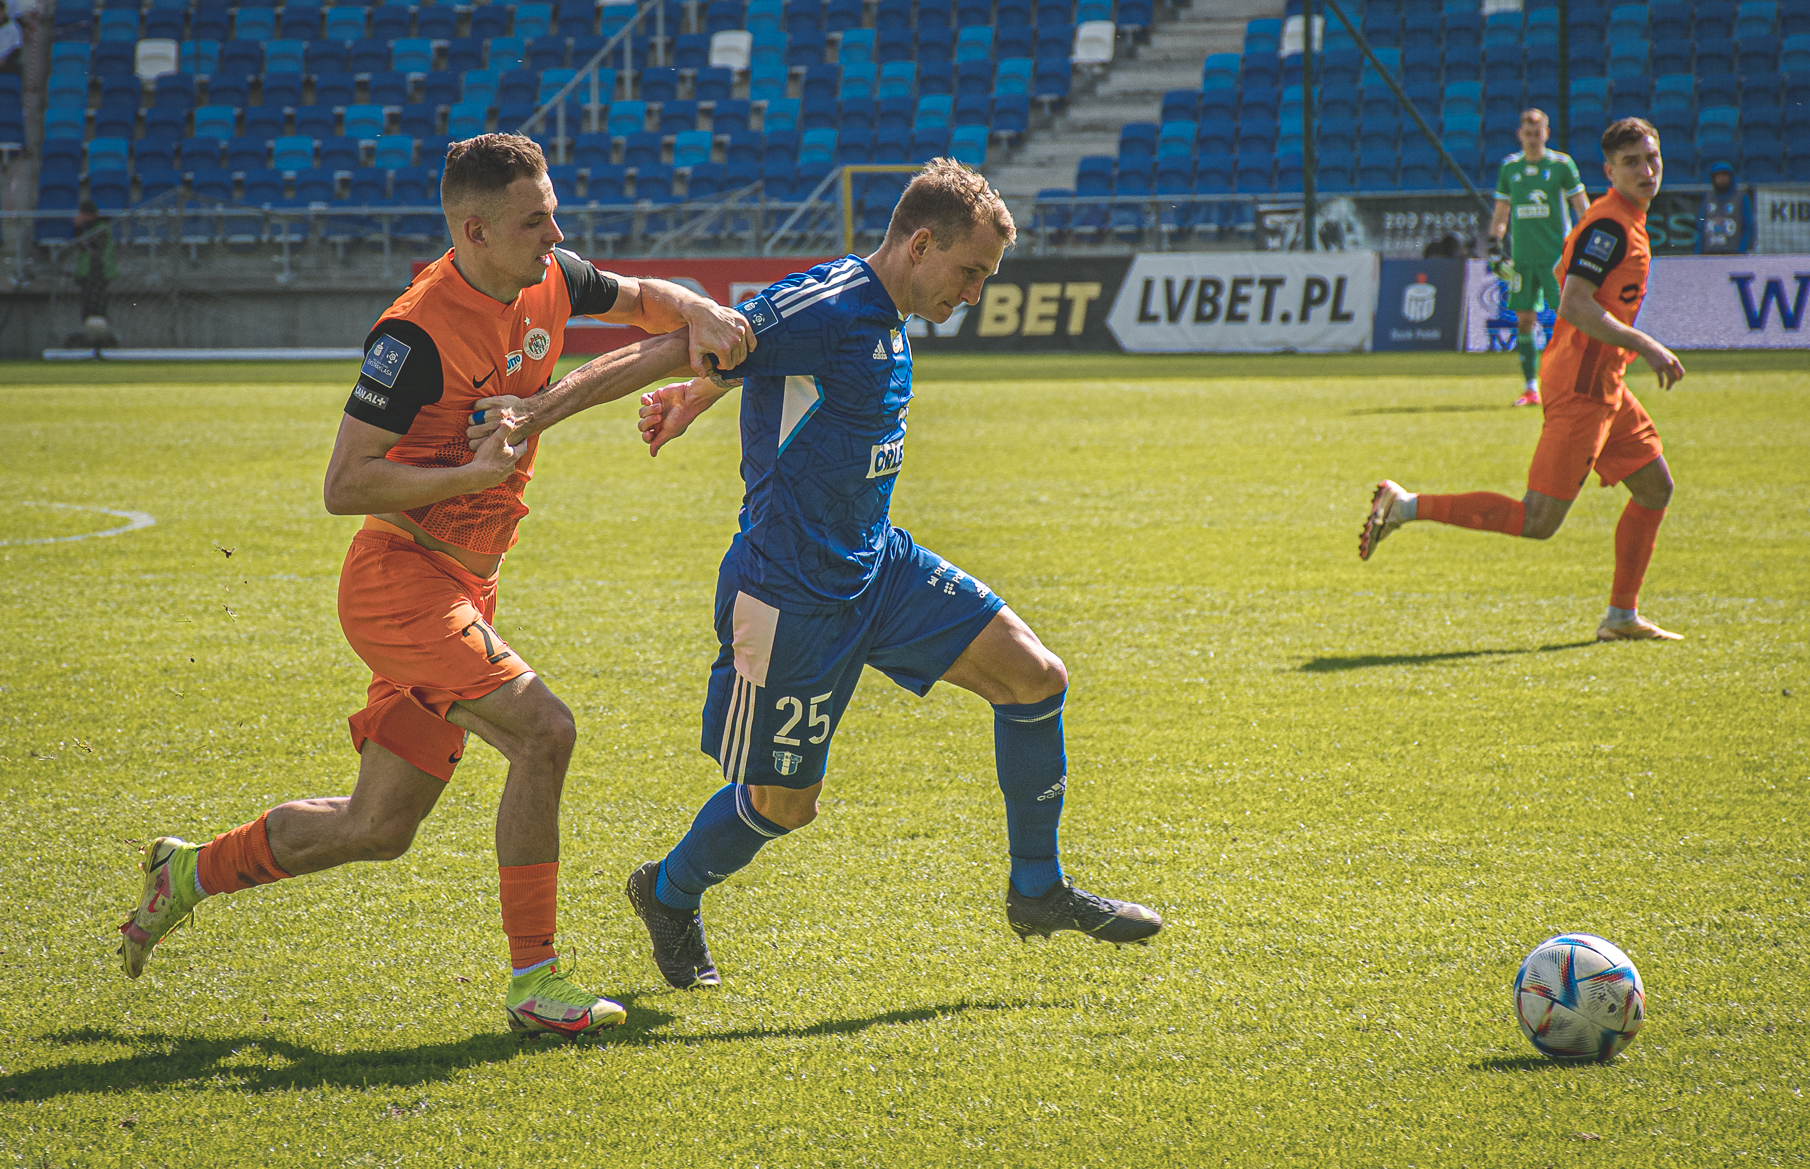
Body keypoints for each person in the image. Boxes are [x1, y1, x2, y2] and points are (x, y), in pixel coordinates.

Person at [115, 133, 756, 1038]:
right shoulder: (414, 333)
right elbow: (344, 485)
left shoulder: (550, 275)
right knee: (545, 732)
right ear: (475, 230)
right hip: (401, 584)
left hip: (464, 587)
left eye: (553, 214)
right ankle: (535, 982)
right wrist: (468, 474)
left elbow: (645, 299)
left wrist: (701, 312)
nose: (555, 233)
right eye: (535, 221)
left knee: (377, 826)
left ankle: (185, 872)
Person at [483, 160, 1162, 991]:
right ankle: (667, 892)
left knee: (1036, 678)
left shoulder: (882, 313)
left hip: (879, 567)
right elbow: (680, 345)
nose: (975, 293)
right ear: (920, 244)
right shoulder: (830, 302)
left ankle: (1038, 889)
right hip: (789, 597)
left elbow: (765, 365)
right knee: (785, 805)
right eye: (970, 272)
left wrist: (701, 397)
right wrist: (534, 411)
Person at [1359, 118, 1686, 644]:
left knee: (1654, 488)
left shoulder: (1621, 218)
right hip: (1581, 387)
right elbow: (1574, 303)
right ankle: (1404, 505)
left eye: (1652, 158)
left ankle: (1621, 617)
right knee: (1538, 520)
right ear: (1609, 172)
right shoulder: (1609, 227)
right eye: (1632, 162)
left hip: (1603, 381)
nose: (1646, 170)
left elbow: (1566, 277)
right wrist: (1646, 344)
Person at [1487, 109, 1590, 408]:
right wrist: (1494, 244)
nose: (1533, 139)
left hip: (1556, 258)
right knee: (1524, 320)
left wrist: (1589, 236)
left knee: (1567, 318)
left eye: (1538, 133)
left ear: (1547, 133)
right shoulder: (1510, 167)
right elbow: (1502, 210)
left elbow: (1581, 205)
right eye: (1528, 134)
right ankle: (1531, 387)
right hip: (1523, 258)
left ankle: (1574, 381)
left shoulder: (1561, 165)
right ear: (1520, 135)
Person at [73, 200, 118, 355]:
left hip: (97, 274)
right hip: (92, 275)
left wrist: (78, 228)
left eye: (82, 214)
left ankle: (100, 344)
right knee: (91, 311)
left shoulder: (100, 229)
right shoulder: (96, 229)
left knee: (95, 311)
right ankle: (96, 344)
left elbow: (85, 247)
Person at [1695, 160, 1753, 255]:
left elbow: (1748, 226)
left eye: (1724, 176)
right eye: (1718, 177)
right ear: (1713, 178)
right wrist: (1698, 251)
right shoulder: (1708, 197)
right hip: (1709, 252)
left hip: (1733, 253)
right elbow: (1701, 226)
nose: (1721, 179)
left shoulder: (1741, 198)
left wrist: (1741, 250)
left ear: (1731, 177)